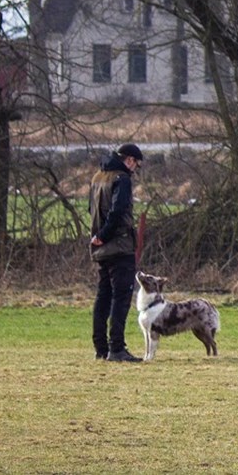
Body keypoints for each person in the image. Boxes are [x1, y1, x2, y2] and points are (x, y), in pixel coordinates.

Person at [89, 144, 145, 362]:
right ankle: (117, 348)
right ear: (129, 160)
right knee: (121, 298)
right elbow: (118, 211)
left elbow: (91, 210)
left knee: (103, 296)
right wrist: (105, 234)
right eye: (136, 165)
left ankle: (101, 348)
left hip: (100, 247)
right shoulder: (121, 179)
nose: (135, 169)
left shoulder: (97, 177)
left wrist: (98, 237)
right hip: (119, 246)